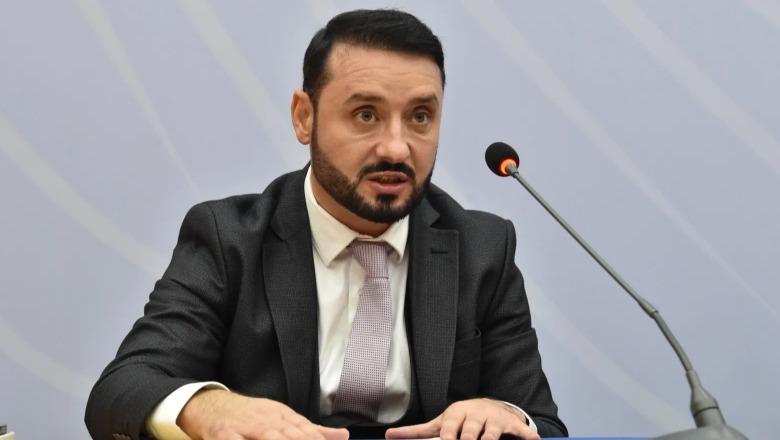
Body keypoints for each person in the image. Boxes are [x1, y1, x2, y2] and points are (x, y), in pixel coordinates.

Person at [85, 9, 567, 440]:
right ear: (304, 117)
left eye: (421, 117)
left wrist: (505, 415)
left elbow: (542, 423)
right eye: (365, 115)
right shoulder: (229, 238)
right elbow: (123, 388)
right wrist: (209, 407)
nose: (396, 148)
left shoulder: (483, 248)